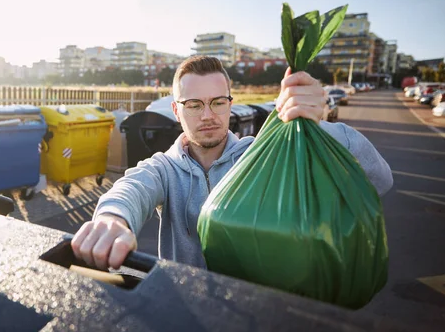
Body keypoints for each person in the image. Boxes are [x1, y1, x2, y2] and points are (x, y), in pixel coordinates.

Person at [72, 56, 393, 271]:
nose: (208, 115)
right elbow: (133, 187)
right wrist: (113, 219)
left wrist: (314, 127)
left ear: (230, 104)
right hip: (184, 310)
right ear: (176, 110)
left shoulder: (261, 157)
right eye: (194, 104)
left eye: (218, 102)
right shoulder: (164, 169)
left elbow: (379, 180)